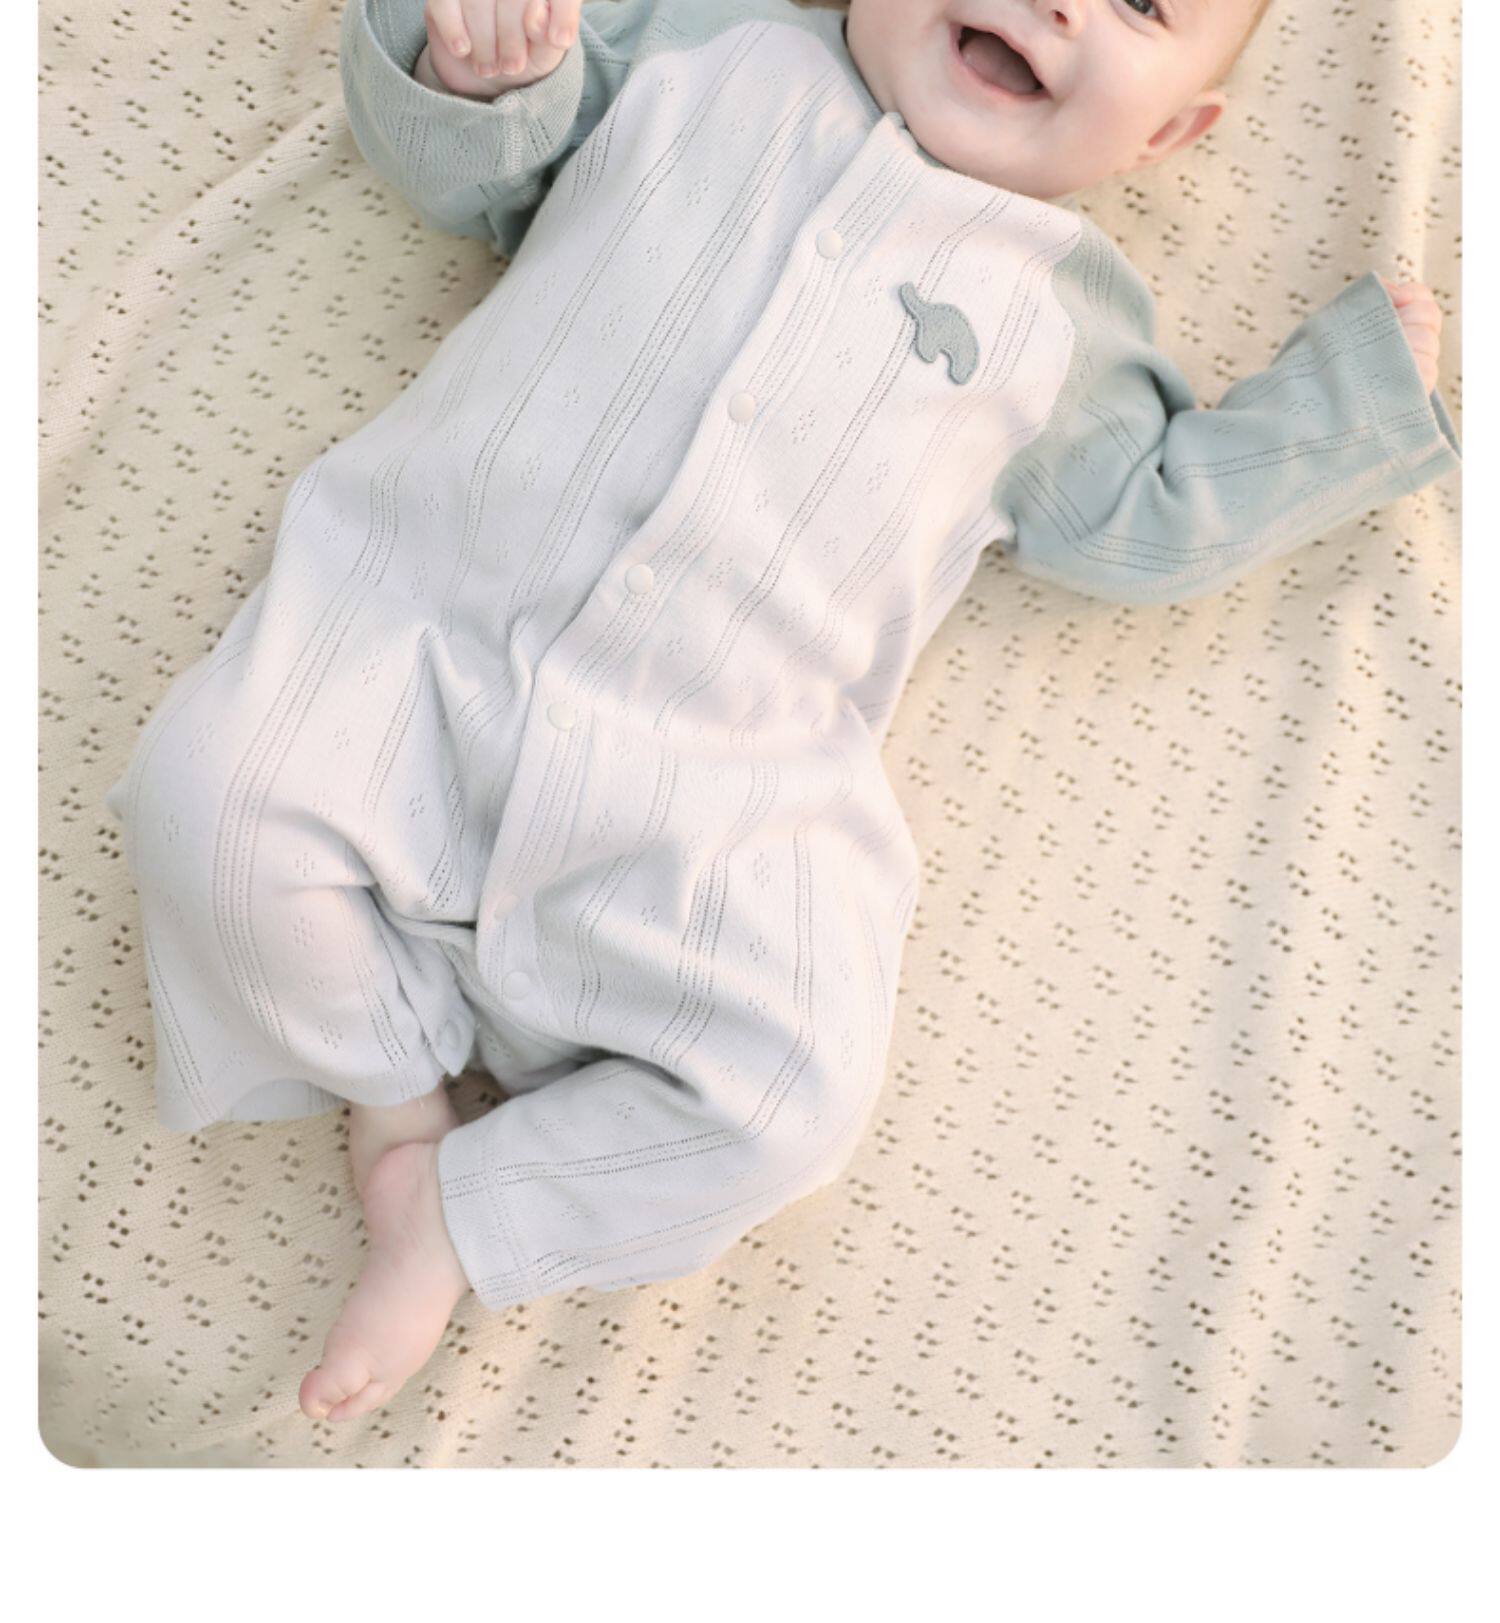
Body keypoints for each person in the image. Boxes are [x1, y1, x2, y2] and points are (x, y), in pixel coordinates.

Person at [104, 0, 1458, 1425]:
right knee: (202, 799)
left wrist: (1341, 406)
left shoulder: (1063, 314)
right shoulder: (699, 48)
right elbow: (473, 174)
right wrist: (476, 68)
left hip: (714, 784)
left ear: (1169, 135)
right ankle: (393, 1095)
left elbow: (1149, 513)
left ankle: (468, 1206)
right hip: (419, 639)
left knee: (788, 1100)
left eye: (1140, 5)